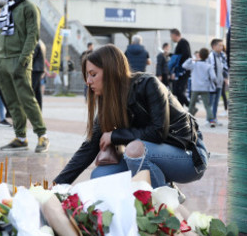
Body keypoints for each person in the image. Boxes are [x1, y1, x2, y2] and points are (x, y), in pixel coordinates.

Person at [54, 44, 208, 188]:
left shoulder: (148, 85)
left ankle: (160, 203)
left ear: (110, 70)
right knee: (100, 176)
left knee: (134, 150)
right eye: (87, 76)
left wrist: (114, 136)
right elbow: (88, 148)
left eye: (93, 74)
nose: (88, 81)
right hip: (150, 154)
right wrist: (56, 186)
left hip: (187, 156)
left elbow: (157, 132)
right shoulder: (109, 102)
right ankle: (167, 189)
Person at [0, 0, 49, 153]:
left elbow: (33, 36)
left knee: (27, 100)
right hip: (2, 61)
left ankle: (42, 136)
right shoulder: (6, 9)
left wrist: (24, 59)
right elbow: (0, 35)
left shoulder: (29, 8)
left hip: (19, 59)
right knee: (11, 101)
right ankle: (20, 137)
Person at [182, 48, 216, 126]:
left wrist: (192, 59)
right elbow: (213, 77)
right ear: (207, 57)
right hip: (205, 88)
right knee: (207, 105)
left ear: (199, 55)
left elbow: (184, 65)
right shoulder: (208, 66)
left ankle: (188, 121)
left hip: (195, 87)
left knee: (191, 104)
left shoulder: (194, 65)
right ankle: (211, 121)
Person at [169, 28, 191, 108]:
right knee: (177, 91)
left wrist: (176, 68)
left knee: (179, 91)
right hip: (180, 71)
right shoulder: (180, 43)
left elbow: (185, 55)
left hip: (183, 71)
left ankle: (190, 106)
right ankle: (180, 108)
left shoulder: (183, 43)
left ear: (175, 35)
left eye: (171, 36)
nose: (171, 38)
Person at [207, 38, 227, 123]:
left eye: (222, 45)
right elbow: (210, 69)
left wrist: (225, 78)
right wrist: (213, 80)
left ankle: (214, 118)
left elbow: (225, 68)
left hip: (220, 82)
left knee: (216, 102)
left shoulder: (222, 55)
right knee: (211, 101)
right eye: (220, 45)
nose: (222, 47)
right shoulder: (210, 56)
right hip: (212, 83)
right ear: (214, 46)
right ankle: (209, 119)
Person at [31, 39, 46, 110]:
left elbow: (32, 56)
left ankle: (33, 110)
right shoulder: (41, 43)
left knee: (32, 90)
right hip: (39, 68)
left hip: (35, 69)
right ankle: (39, 109)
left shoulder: (35, 43)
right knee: (37, 91)